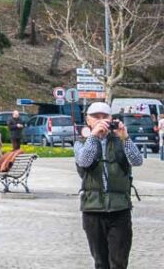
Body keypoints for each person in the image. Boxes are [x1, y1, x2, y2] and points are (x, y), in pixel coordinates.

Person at [75, 102, 143, 269]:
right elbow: (84, 161)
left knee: (119, 262)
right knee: (100, 262)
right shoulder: (81, 143)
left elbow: (137, 160)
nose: (101, 120)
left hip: (120, 209)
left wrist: (125, 137)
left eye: (104, 117)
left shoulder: (121, 140)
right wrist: (93, 137)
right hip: (93, 210)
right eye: (96, 117)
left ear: (112, 119)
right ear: (88, 120)